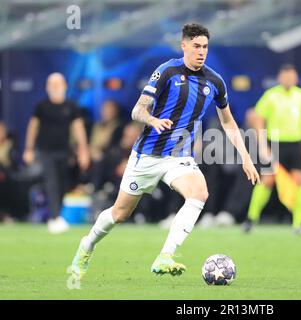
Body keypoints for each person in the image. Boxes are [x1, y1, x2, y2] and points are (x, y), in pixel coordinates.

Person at [70, 23, 259, 279]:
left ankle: (165, 256)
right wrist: (153, 120)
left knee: (199, 193)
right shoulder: (167, 71)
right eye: (196, 46)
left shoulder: (215, 81)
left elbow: (228, 122)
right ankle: (87, 245)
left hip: (179, 157)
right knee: (120, 213)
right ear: (184, 46)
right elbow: (138, 110)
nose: (201, 51)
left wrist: (246, 158)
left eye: (205, 47)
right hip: (147, 155)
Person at [242, 64, 301, 234]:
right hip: (274, 143)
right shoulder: (271, 95)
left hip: (295, 144)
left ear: (296, 78)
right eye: (285, 76)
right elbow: (258, 120)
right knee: (267, 180)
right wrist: (262, 144)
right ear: (280, 78)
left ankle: (299, 223)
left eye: (292, 76)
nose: (289, 79)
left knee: (300, 180)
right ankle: (250, 219)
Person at [23, 73, 90, 233]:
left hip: (64, 152)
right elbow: (33, 127)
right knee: (51, 183)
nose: (55, 87)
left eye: (58, 84)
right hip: (45, 151)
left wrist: (83, 151)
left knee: (62, 185)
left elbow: (78, 128)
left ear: (65, 86)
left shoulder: (71, 106)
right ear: (47, 87)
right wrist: (29, 149)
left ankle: (57, 215)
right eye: (51, 84)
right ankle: (54, 218)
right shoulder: (41, 106)